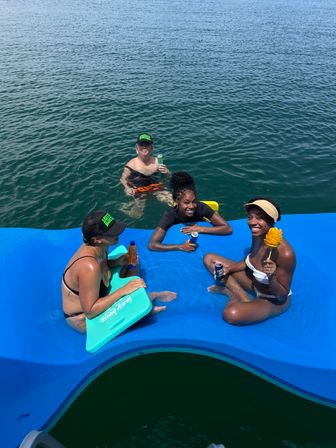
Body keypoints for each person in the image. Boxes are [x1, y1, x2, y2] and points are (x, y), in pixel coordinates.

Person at [62, 210, 176, 333]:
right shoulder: (89, 266)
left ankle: (145, 300)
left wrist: (116, 261)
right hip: (83, 319)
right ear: (97, 239)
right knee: (141, 310)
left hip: (96, 295)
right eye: (111, 233)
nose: (118, 233)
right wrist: (123, 290)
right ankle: (148, 303)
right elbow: (90, 311)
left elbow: (99, 266)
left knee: (132, 262)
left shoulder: (98, 246)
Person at [203, 198, 296, 325]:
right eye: (250, 217)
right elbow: (250, 260)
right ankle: (240, 296)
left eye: (259, 218)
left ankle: (235, 297)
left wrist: (271, 277)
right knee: (210, 259)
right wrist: (229, 269)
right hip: (254, 284)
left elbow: (282, 296)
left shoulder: (285, 253)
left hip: (272, 298)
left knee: (231, 315)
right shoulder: (257, 235)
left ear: (271, 220)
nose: (252, 222)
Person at [148, 172, 232, 252]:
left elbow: (227, 228)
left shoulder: (201, 207)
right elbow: (152, 245)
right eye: (186, 202)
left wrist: (201, 229)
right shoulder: (170, 215)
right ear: (177, 201)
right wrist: (181, 247)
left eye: (194, 201)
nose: (191, 206)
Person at [120, 133, 172, 218]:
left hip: (156, 188)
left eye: (147, 144)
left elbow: (168, 175)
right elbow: (122, 179)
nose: (144, 147)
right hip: (140, 192)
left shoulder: (157, 162)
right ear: (137, 148)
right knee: (137, 215)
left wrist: (166, 172)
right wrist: (127, 188)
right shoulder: (131, 165)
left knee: (173, 201)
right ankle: (123, 207)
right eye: (141, 144)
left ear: (151, 148)